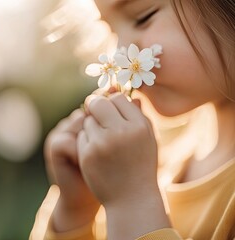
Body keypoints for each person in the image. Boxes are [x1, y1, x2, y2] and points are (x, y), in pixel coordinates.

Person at [30, 0, 235, 239]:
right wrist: (76, 212)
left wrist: (133, 203)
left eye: (143, 17)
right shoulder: (157, 161)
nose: (121, 56)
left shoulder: (138, 180)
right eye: (111, 32)